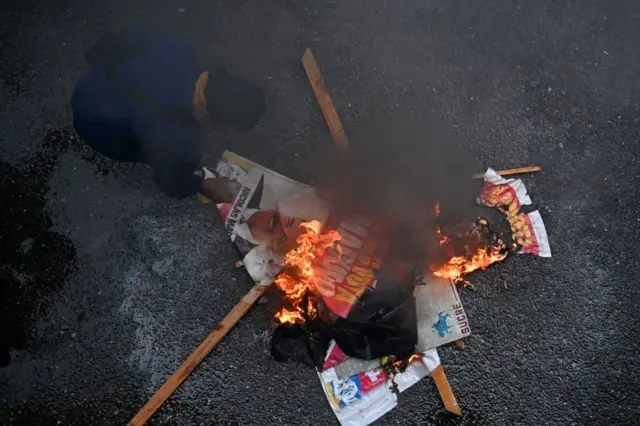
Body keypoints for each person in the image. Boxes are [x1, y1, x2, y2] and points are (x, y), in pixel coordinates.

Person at [71, 28, 265, 201]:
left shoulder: (179, 49)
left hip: (88, 87)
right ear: (215, 117)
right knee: (162, 155)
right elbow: (171, 184)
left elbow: (125, 38)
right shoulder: (184, 141)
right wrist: (202, 185)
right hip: (90, 124)